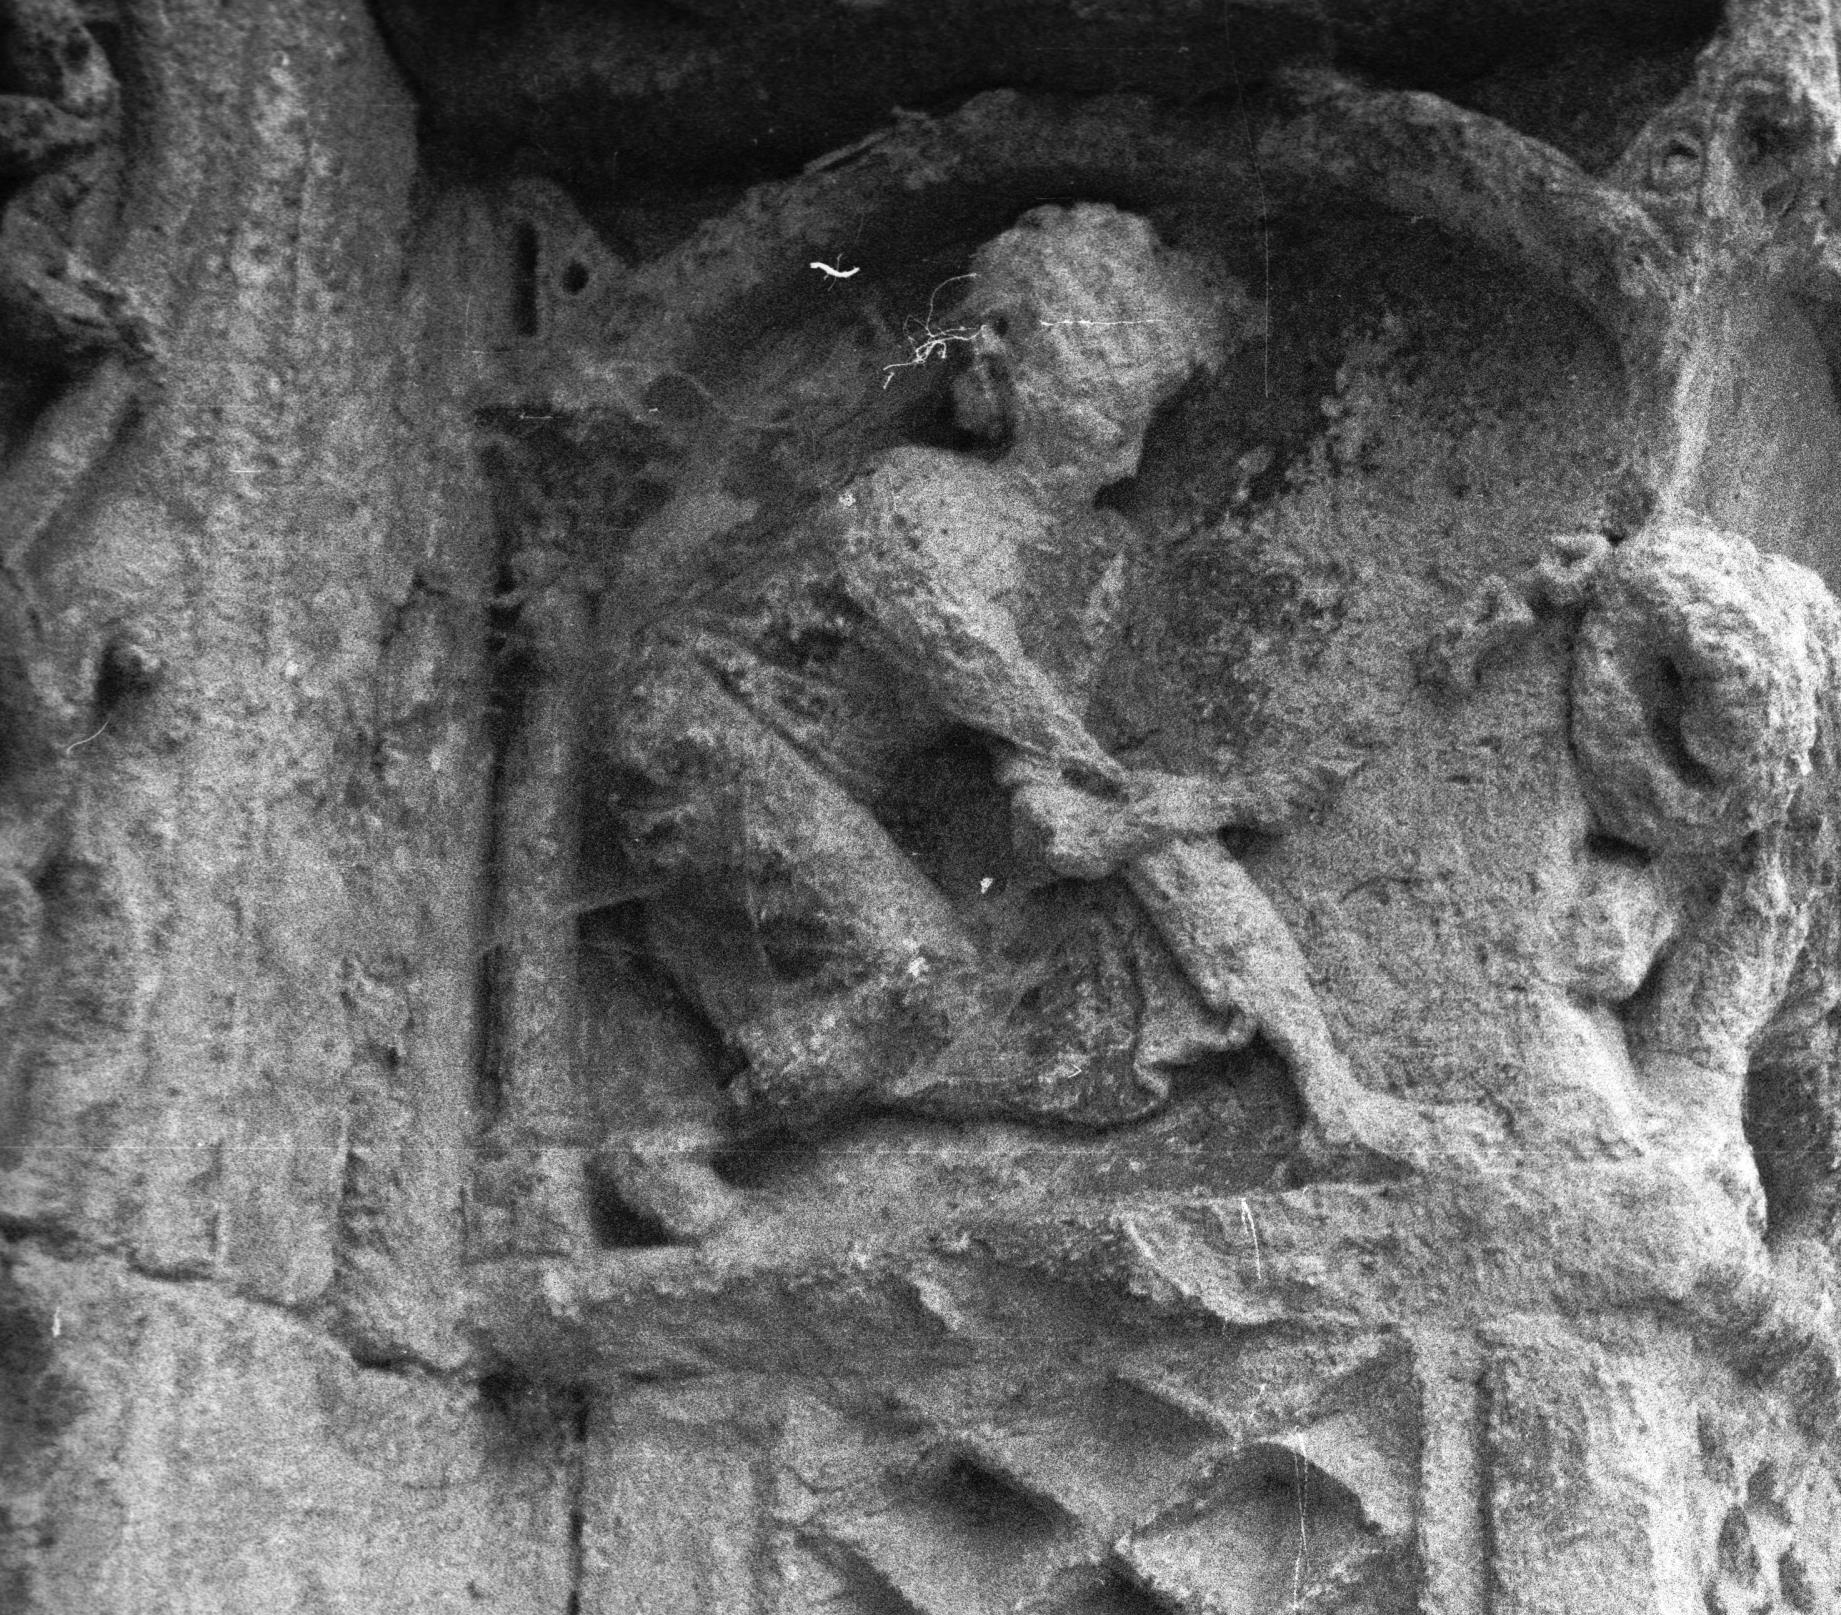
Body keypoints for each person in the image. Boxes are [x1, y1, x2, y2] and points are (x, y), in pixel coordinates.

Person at [590, 203, 1467, 1239]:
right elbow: (968, 659)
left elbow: (1054, 809)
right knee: (924, 982)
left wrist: (1164, 817)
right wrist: (1214, 796)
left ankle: (1328, 1095)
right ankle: (673, 1150)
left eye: (1148, 389)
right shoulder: (913, 493)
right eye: (1104, 375)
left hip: (830, 788)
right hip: (698, 728)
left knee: (1004, 989)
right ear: (1016, 370)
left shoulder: (1097, 564)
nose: (1126, 422)